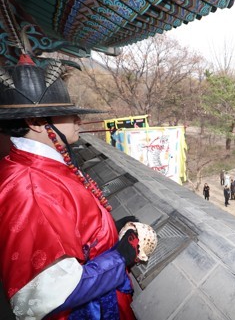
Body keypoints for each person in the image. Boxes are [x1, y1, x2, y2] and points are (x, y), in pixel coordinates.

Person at [0, 55, 140, 318]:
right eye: (68, 113)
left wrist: (110, 234)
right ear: (36, 122)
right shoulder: (30, 189)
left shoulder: (36, 168)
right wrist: (120, 257)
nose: (77, 119)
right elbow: (51, 292)